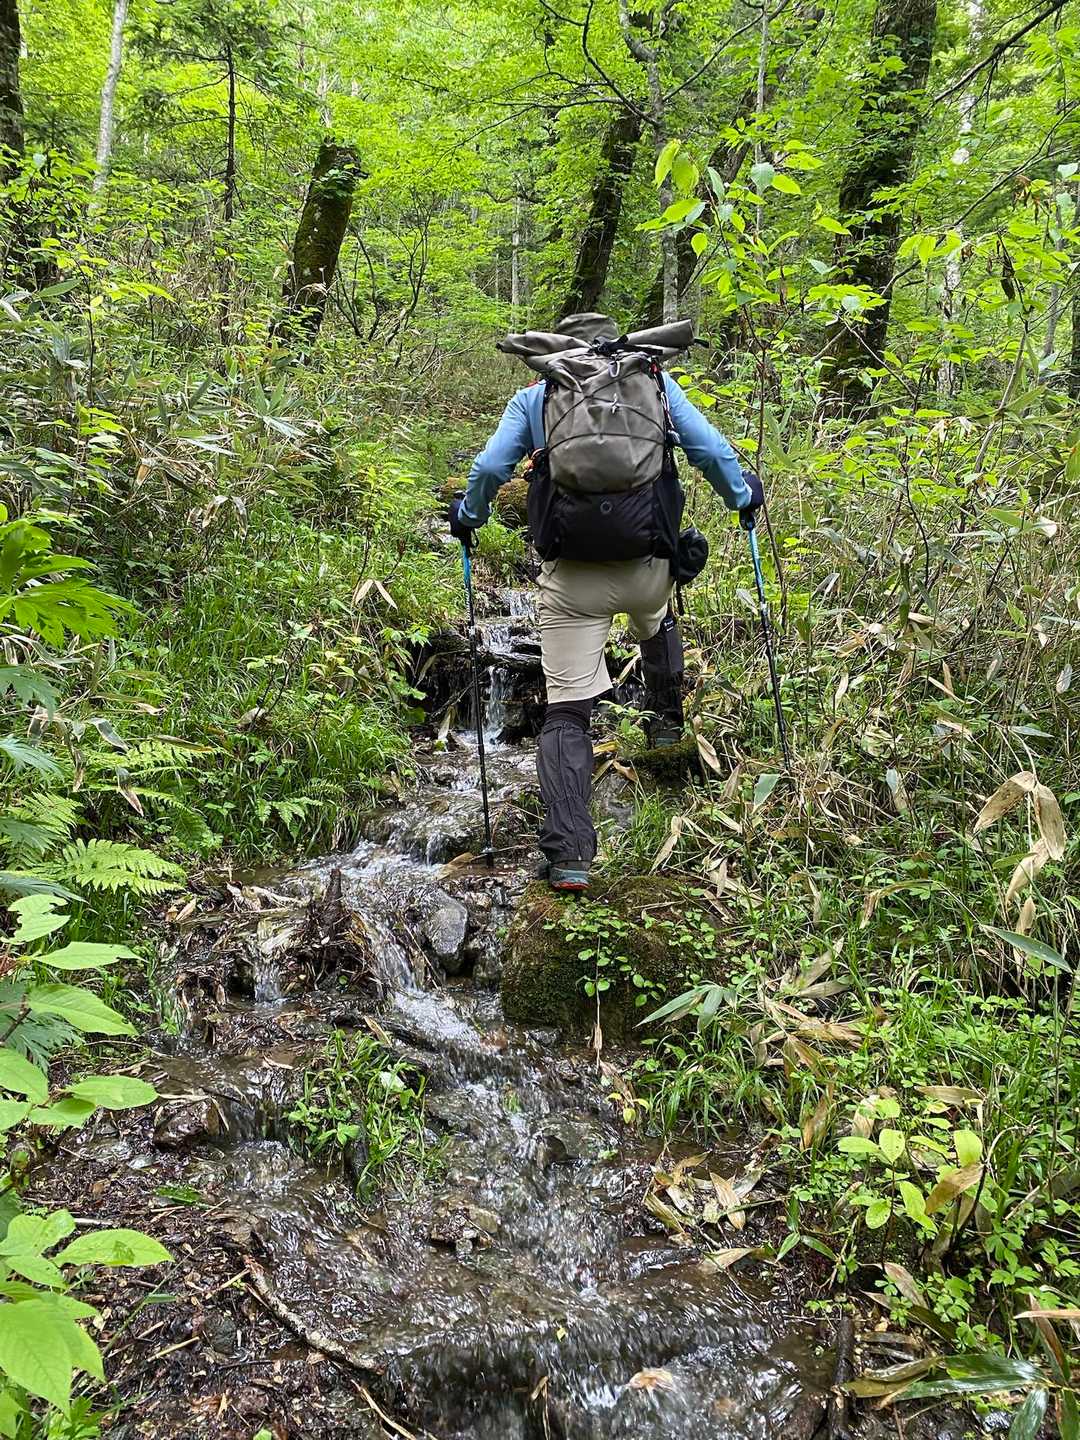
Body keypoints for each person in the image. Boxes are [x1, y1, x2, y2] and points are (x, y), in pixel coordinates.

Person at [448, 312, 763, 892]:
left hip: (572, 579)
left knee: (567, 710)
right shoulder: (653, 383)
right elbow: (710, 451)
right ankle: (666, 724)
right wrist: (744, 498)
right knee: (657, 618)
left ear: (560, 348)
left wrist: (467, 517)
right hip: (647, 568)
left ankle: (570, 853)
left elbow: (491, 467)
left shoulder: (539, 395)